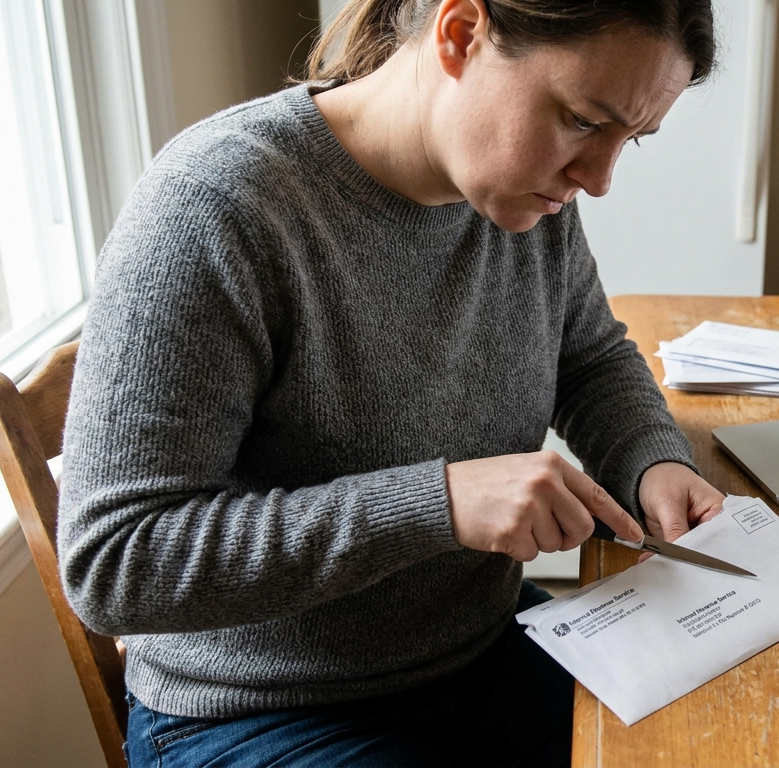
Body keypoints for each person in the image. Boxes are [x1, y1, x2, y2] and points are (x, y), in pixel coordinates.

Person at [57, 0, 724, 764]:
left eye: (628, 141)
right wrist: (437, 504)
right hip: (261, 712)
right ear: (460, 33)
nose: (599, 178)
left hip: (482, 654)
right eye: (580, 119)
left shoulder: (526, 196)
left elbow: (590, 356)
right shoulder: (215, 207)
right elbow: (116, 563)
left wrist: (652, 460)